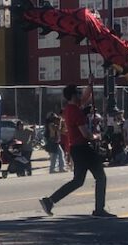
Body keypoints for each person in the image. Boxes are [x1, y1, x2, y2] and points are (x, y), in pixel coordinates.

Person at [40, 82, 115, 218]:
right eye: (79, 93)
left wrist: (90, 85)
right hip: (83, 148)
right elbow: (86, 134)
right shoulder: (76, 112)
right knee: (100, 177)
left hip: (76, 148)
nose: (81, 95)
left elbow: (85, 98)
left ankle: (49, 201)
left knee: (78, 181)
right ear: (74, 95)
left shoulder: (69, 108)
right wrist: (97, 136)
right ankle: (99, 210)